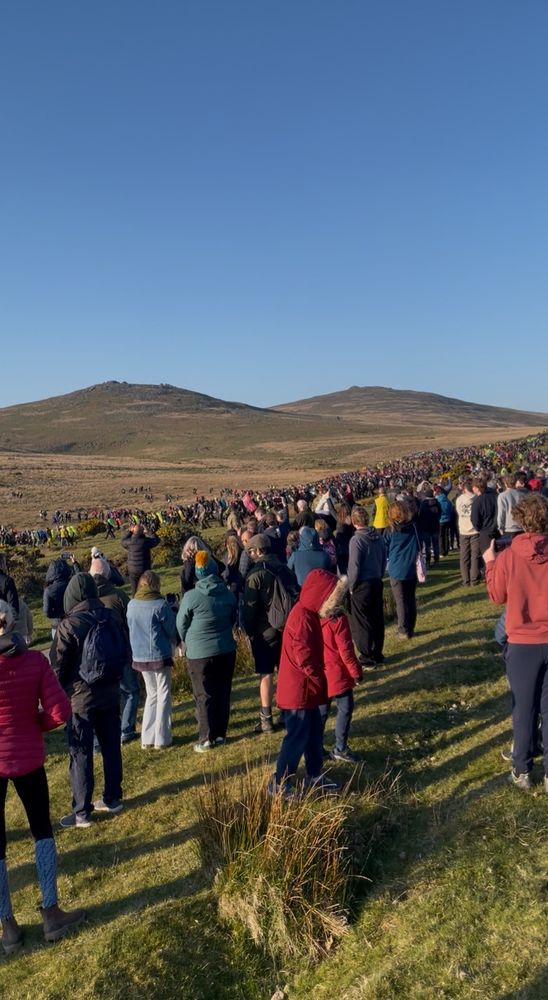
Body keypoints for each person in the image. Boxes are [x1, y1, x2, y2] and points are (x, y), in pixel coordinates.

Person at [0, 600, 86, 952]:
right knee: (41, 831)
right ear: (14, 624)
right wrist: (35, 724)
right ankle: (51, 911)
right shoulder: (35, 661)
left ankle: (7, 925)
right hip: (29, 757)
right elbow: (60, 710)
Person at [51, 573, 127, 827]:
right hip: (111, 691)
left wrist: (60, 692)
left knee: (81, 752)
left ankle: (82, 811)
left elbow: (58, 666)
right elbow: (123, 648)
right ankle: (113, 797)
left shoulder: (68, 625)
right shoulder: (111, 616)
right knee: (111, 746)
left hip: (80, 697)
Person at [483, 493, 548, 791]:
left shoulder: (509, 556)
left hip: (522, 642)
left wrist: (490, 564)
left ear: (521, 520)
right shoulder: (511, 555)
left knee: (524, 708)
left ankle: (522, 768)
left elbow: (497, 596)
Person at [270, 569, 341, 796]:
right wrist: (320, 679)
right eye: (331, 599)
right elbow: (304, 657)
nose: (333, 604)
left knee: (313, 733)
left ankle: (314, 774)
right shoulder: (302, 617)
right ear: (320, 596)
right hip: (298, 692)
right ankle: (280, 783)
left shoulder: (309, 614)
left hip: (307, 689)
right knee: (297, 737)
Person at [177, 552, 237, 752]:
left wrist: (187, 640)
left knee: (203, 695)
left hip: (199, 653)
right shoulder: (227, 594)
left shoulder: (191, 597)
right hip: (225, 649)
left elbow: (181, 623)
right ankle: (220, 734)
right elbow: (232, 618)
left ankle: (205, 738)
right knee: (223, 691)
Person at [243, 534, 298, 734]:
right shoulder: (284, 568)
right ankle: (286, 712)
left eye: (251, 551)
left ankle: (266, 719)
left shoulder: (255, 574)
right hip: (287, 627)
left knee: (266, 674)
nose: (250, 555)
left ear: (258, 551)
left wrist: (249, 631)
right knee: (284, 671)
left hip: (264, 631)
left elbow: (250, 608)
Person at [90, 557, 138, 745]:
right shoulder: (118, 596)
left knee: (101, 697)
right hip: (120, 650)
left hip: (96, 656)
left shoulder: (86, 598)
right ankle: (126, 729)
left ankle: (102, 735)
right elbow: (131, 622)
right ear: (108, 574)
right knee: (130, 690)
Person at [127, 571, 176, 750]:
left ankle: (147, 738)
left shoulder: (132, 604)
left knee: (152, 694)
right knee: (163, 693)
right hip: (159, 653)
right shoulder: (160, 604)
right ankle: (162, 737)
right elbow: (171, 629)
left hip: (140, 655)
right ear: (156, 585)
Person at [318, 576, 362, 762]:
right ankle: (340, 747)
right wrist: (356, 673)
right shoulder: (338, 620)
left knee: (321, 711)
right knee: (345, 708)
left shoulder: (315, 618)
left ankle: (315, 746)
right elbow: (346, 651)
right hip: (337, 673)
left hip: (321, 671)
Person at [347, 506, 386, 668]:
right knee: (377, 619)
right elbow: (384, 558)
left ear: (354, 521)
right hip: (376, 580)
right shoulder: (377, 536)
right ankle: (377, 653)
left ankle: (366, 657)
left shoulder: (357, 540)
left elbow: (354, 566)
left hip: (362, 584)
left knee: (362, 622)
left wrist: (351, 586)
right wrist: (380, 574)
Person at [385, 501, 420, 640]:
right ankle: (410, 628)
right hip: (411, 566)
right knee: (410, 599)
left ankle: (403, 629)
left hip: (396, 568)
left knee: (400, 601)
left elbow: (384, 548)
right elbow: (419, 544)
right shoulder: (413, 527)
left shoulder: (390, 530)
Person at [121, 524, 160, 595]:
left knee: (134, 590)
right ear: (143, 532)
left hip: (132, 570)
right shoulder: (145, 541)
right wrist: (149, 532)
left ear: (133, 531)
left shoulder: (129, 542)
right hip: (144, 569)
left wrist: (130, 532)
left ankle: (135, 600)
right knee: (146, 588)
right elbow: (156, 540)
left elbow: (123, 541)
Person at [456, 478, 481, 586]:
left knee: (464, 556)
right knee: (475, 555)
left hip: (464, 529)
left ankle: (466, 579)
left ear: (465, 488)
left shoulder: (459, 499)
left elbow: (458, 511)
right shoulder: (477, 498)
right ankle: (474, 578)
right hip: (474, 529)